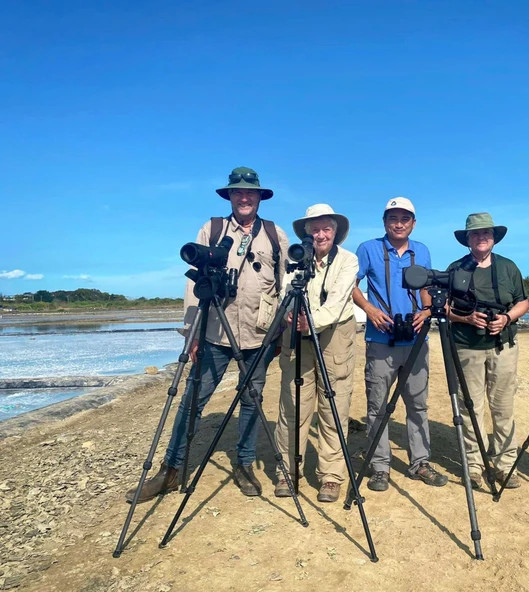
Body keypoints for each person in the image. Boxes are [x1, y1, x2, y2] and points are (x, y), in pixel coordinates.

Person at [126, 166, 289, 502]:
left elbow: (286, 287)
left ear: (260, 197)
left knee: (251, 402)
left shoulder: (275, 235)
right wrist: (192, 333)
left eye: (250, 192)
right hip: (215, 332)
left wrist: (279, 333)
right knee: (190, 403)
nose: (244, 198)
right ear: (229, 196)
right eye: (237, 192)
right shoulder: (211, 229)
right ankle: (170, 471)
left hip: (258, 336)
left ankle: (245, 465)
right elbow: (193, 285)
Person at [352, 197, 448, 492]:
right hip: (380, 339)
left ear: (413, 223)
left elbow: (428, 290)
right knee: (377, 406)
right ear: (384, 221)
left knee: (417, 405)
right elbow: (350, 285)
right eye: (393, 218)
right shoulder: (368, 249)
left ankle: (420, 462)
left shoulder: (423, 251)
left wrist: (427, 311)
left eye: (405, 218)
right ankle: (380, 466)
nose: (399, 223)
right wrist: (370, 310)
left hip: (417, 340)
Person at [273, 204, 359, 503]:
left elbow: (337, 301)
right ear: (307, 232)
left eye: (327, 229)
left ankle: (331, 476)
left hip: (334, 334)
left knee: (333, 406)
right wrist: (289, 318)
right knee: (293, 405)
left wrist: (310, 321)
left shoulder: (348, 260)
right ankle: (287, 470)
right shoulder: (293, 258)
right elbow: (285, 290)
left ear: (335, 233)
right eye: (315, 229)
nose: (320, 235)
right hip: (296, 333)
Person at [447, 213, 529, 489]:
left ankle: (505, 465)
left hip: (503, 346)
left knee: (503, 406)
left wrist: (506, 319)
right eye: (475, 234)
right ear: (467, 239)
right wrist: (466, 318)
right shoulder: (456, 268)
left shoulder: (508, 268)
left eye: (486, 234)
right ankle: (474, 464)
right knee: (471, 406)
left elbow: (523, 302)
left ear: (493, 238)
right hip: (466, 346)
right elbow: (443, 308)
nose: (482, 238)